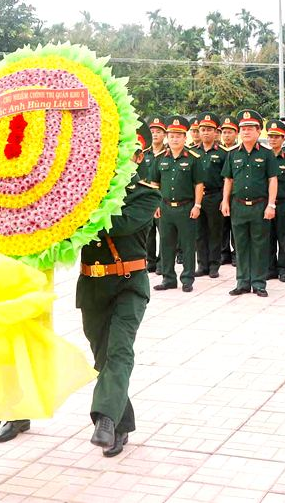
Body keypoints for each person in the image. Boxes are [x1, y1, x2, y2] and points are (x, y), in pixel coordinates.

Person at [76, 122, 161, 457]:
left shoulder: (146, 194)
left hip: (129, 285)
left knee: (120, 352)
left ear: (139, 157)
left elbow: (122, 224)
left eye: (129, 154)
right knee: (103, 359)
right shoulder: (83, 193)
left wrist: (83, 209)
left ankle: (104, 419)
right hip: (92, 287)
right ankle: (122, 424)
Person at [221, 109, 278, 297]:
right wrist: (225, 201)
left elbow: (272, 180)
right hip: (238, 205)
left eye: (250, 128)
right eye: (243, 128)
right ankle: (242, 282)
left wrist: (271, 205)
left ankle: (259, 283)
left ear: (258, 131)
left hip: (260, 206)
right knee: (241, 244)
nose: (246, 131)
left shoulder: (267, 154)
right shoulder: (232, 154)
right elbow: (228, 180)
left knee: (260, 245)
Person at [154, 115, 204, 293]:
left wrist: (197, 206)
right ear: (167, 137)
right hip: (165, 207)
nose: (174, 138)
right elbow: (155, 184)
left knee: (188, 245)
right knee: (166, 244)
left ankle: (187, 279)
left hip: (186, 207)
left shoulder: (193, 158)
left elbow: (199, 184)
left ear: (185, 137)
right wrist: (155, 205)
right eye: (172, 135)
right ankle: (168, 278)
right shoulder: (160, 158)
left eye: (178, 135)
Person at [194, 113, 227, 279]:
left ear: (216, 132)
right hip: (198, 198)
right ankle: (202, 264)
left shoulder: (223, 153)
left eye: (210, 130)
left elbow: (227, 178)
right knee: (199, 232)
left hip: (215, 196)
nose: (206, 133)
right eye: (203, 129)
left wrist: (224, 198)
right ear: (199, 132)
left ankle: (214, 265)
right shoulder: (192, 153)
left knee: (215, 232)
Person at [265, 119, 285, 283]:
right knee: (268, 237)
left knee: (284, 237)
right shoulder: (264, 157)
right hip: (267, 204)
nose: (273, 140)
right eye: (270, 136)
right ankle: (270, 268)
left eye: (276, 137)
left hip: (284, 203)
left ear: (283, 138)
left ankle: (283, 269)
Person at [142, 116, 168, 272]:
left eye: (158, 132)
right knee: (148, 233)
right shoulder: (144, 153)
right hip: (145, 199)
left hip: (162, 199)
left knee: (164, 233)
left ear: (164, 134)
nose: (155, 135)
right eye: (152, 132)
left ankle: (161, 263)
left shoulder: (168, 153)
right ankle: (149, 261)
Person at [219, 116, 240, 266]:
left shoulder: (238, 151)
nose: (226, 135)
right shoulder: (218, 151)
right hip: (219, 194)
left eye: (230, 132)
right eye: (224, 132)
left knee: (235, 226)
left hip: (236, 195)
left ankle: (235, 254)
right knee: (221, 226)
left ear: (236, 134)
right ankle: (223, 253)